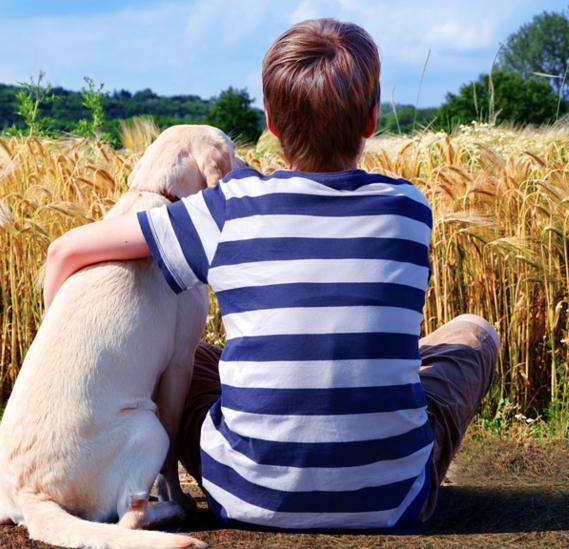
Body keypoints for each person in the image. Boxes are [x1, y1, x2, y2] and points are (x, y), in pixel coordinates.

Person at [42, 18, 498, 531]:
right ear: (371, 120)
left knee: (186, 356)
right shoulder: (410, 207)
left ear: (271, 122)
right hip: (394, 498)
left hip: (243, 493)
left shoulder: (231, 207)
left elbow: (65, 252)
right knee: (473, 334)